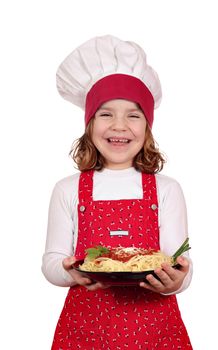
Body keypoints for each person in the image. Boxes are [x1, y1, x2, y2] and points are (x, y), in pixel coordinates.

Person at [42, 34, 193, 349]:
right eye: (106, 113)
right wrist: (71, 272)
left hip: (156, 332)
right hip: (85, 331)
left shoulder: (166, 190)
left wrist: (176, 282)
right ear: (90, 123)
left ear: (147, 127)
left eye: (133, 115)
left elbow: (180, 262)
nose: (119, 125)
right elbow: (53, 261)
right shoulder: (67, 189)